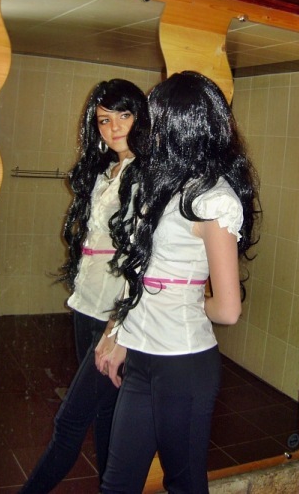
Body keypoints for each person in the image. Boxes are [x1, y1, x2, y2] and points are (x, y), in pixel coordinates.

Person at [97, 71, 261, 494]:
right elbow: (139, 273)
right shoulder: (162, 186)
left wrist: (182, 299)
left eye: (154, 118)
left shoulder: (214, 200)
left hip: (183, 365)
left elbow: (228, 309)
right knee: (117, 483)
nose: (146, 128)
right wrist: (120, 333)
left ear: (179, 126)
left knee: (184, 483)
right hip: (142, 358)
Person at [19, 78, 149, 493]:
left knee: (70, 421)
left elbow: (143, 261)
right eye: (104, 120)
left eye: (124, 115)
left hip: (116, 314)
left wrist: (119, 327)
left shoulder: (145, 176)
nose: (114, 128)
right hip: (86, 303)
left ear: (141, 117)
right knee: (104, 412)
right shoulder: (106, 170)